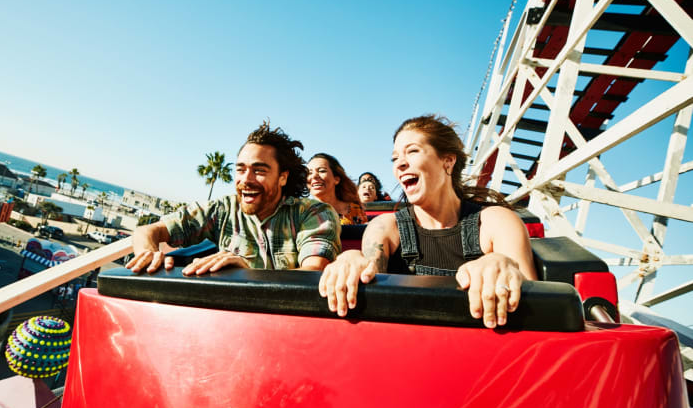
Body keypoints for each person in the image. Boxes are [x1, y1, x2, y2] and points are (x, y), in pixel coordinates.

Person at [319, 115, 537, 328]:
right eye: (395, 158)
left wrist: (502, 264)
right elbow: (368, 272)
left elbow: (539, 303)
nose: (400, 164)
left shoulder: (495, 222)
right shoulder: (386, 227)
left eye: (412, 151)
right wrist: (351, 260)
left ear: (448, 161)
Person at [126, 121, 341, 275]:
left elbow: (312, 275)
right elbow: (148, 231)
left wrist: (248, 273)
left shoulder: (313, 213)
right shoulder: (225, 209)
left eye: (259, 170)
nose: (246, 180)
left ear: (283, 177)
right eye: (240, 169)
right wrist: (148, 255)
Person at [307, 153, 368, 225]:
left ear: (336, 179)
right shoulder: (301, 212)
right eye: (309, 173)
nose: (314, 176)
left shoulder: (355, 210)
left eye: (322, 171)